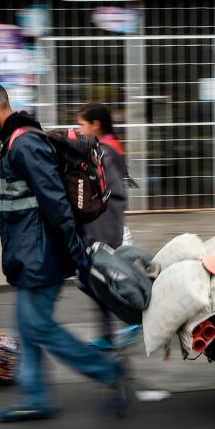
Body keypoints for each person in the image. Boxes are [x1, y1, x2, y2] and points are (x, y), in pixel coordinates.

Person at [0, 80, 129, 423]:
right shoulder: (14, 141)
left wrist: (75, 256)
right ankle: (36, 395)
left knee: (37, 326)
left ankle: (106, 370)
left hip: (42, 254)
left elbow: (55, 203)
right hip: (30, 252)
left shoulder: (24, 144)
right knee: (28, 325)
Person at [75, 103, 137, 351]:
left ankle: (133, 317)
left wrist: (103, 236)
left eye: (82, 125)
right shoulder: (108, 146)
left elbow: (112, 198)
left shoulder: (106, 151)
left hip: (108, 229)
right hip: (107, 227)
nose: (79, 130)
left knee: (95, 279)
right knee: (91, 279)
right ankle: (112, 330)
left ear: (95, 125)